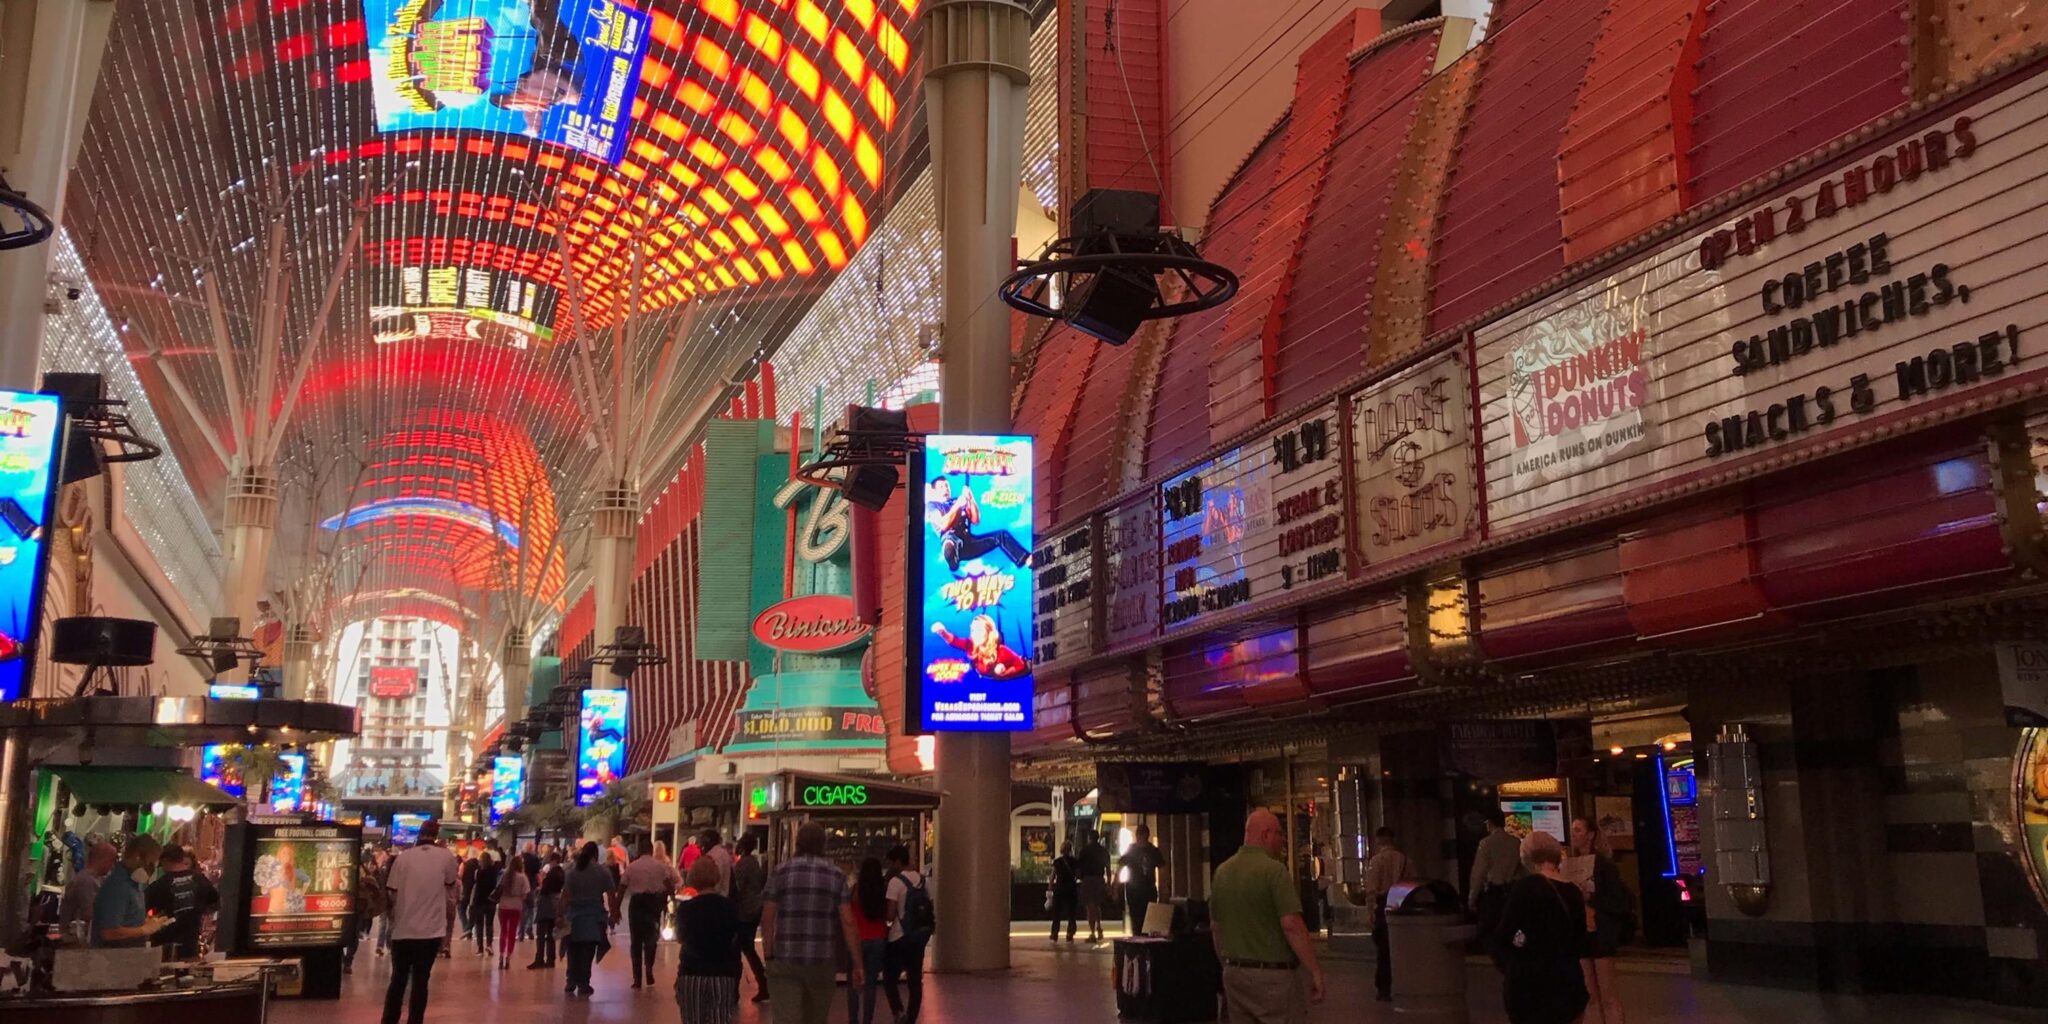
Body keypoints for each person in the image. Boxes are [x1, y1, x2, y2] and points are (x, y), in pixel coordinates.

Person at [1210, 810, 1326, 1024]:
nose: (1282, 840)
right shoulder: (1275, 871)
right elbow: (1291, 924)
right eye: (1279, 834)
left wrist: (1228, 964)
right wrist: (1315, 971)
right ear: (1265, 835)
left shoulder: (1222, 872)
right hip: (1273, 980)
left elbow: (1216, 927)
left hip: (1235, 975)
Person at [762, 822, 865, 1024]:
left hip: (785, 960)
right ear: (823, 845)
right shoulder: (836, 875)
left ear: (797, 843)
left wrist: (769, 953)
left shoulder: (780, 872)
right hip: (822, 961)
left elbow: (768, 917)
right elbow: (848, 921)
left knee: (786, 1019)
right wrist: (857, 963)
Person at [1494, 831, 1590, 1024]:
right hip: (1569, 982)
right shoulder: (1573, 890)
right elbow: (1580, 938)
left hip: (1533, 984)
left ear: (1528, 856)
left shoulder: (1526, 887)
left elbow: (1504, 935)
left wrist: (1516, 950)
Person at [382, 819, 459, 1024]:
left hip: (403, 930)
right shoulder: (446, 857)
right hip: (431, 931)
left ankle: (389, 1020)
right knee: (421, 981)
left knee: (398, 980)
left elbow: (392, 892)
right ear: (437, 835)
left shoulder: (403, 858)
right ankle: (415, 1021)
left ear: (419, 833)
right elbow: (450, 882)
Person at [1569, 815, 1632, 1024]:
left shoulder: (1604, 866)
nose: (1573, 834)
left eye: (1578, 830)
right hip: (1582, 934)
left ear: (1590, 834)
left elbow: (1617, 902)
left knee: (1608, 995)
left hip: (1602, 933)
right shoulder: (1571, 863)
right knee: (1590, 996)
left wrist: (1591, 897)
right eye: (1573, 830)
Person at [677, 854, 742, 1024]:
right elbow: (735, 939)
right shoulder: (729, 907)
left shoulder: (686, 909)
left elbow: (680, 937)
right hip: (722, 974)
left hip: (692, 973)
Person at [1363, 826, 1414, 1002]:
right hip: (1402, 904)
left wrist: (1370, 910)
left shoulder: (1376, 861)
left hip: (1383, 904)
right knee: (1402, 948)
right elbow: (1412, 884)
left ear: (1378, 840)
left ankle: (1384, 988)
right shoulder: (1406, 860)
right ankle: (1405, 983)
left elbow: (1371, 889)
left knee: (1384, 950)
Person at [881, 844, 931, 1024]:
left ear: (896, 861)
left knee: (889, 978)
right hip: (918, 937)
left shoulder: (895, 882)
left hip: (899, 937)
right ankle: (911, 1018)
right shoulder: (925, 881)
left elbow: (890, 914)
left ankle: (899, 1011)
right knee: (915, 980)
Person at [623, 838, 682, 988]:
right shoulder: (660, 867)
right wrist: (671, 902)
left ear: (639, 850)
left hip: (636, 904)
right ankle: (649, 968)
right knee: (651, 938)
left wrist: (616, 909)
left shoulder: (632, 867)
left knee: (635, 941)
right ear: (651, 850)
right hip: (653, 904)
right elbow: (670, 886)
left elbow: (622, 887)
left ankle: (637, 979)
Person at [145, 843, 220, 960]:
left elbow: (140, 910)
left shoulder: (159, 885)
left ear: (165, 861)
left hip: (163, 947)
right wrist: (195, 913)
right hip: (190, 945)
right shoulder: (200, 880)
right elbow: (215, 904)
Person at [561, 842, 617, 997]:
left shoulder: (571, 870)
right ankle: (584, 982)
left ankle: (570, 980)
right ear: (596, 855)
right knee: (587, 950)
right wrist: (614, 914)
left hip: (573, 916)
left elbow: (565, 896)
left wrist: (560, 914)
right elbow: (611, 895)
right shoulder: (602, 871)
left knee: (573, 950)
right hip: (594, 916)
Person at [93, 836, 168, 948]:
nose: (151, 869)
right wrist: (144, 930)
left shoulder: (133, 884)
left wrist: (146, 922)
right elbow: (109, 932)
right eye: (150, 863)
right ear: (137, 857)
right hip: (113, 959)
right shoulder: (117, 886)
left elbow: (127, 919)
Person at [1470, 810, 1523, 956]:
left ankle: (1499, 958)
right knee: (1510, 927)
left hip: (1493, 892)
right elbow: (1522, 870)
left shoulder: (1485, 844)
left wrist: (1472, 898)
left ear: (1489, 823)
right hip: (1511, 891)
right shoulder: (1516, 842)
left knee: (1488, 931)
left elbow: (1478, 873)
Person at [730, 834, 771, 1002]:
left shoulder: (743, 864)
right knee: (748, 948)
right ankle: (763, 984)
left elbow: (735, 887)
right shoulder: (755, 863)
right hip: (755, 909)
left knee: (737, 949)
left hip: (744, 912)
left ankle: (735, 990)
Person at [60, 841, 116, 944]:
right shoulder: (86, 881)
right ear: (102, 859)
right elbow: (90, 914)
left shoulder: (92, 879)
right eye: (111, 861)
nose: (112, 866)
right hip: (76, 941)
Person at [1119, 824, 1162, 935]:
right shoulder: (1132, 849)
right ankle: (1138, 936)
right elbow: (1121, 866)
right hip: (1134, 889)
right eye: (1138, 835)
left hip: (1147, 889)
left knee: (1146, 917)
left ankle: (1143, 937)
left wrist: (1164, 887)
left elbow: (1162, 869)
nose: (1139, 838)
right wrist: (1115, 886)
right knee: (1136, 917)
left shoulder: (1152, 850)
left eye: (1141, 835)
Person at [493, 850, 531, 970]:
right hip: (516, 906)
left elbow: (498, 889)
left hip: (503, 905)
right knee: (512, 932)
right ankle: (508, 957)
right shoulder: (522, 877)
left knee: (503, 931)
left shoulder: (505, 875)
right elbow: (525, 894)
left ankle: (500, 956)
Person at [527, 849, 564, 969]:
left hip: (546, 905)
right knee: (551, 934)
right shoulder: (561, 873)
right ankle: (551, 959)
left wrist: (540, 888)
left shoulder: (552, 873)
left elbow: (545, 889)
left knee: (541, 934)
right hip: (556, 904)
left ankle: (539, 959)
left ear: (553, 860)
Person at [1076, 830, 1109, 942]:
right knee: (1097, 905)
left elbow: (1078, 867)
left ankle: (1092, 933)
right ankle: (1099, 926)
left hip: (1088, 879)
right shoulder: (1103, 851)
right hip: (1099, 879)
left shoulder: (1084, 851)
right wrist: (1108, 883)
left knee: (1090, 907)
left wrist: (1080, 878)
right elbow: (1108, 868)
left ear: (1089, 837)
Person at [468, 851, 502, 955]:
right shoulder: (494, 871)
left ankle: (480, 948)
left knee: (479, 924)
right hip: (490, 900)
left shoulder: (478, 872)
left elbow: (476, 885)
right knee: (489, 924)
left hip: (479, 901)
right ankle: (489, 945)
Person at [1048, 842, 1080, 943]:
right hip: (1071, 889)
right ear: (1070, 849)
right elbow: (1078, 875)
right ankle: (1070, 934)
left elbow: (1052, 876)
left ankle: (1054, 933)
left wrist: (1050, 888)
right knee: (1071, 913)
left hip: (1059, 889)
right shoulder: (1075, 861)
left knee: (1057, 913)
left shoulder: (1057, 862)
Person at [703, 830, 735, 897]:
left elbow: (716, 879)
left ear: (708, 841)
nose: (702, 846)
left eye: (703, 842)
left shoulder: (714, 856)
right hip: (724, 896)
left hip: (717, 897)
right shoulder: (724, 853)